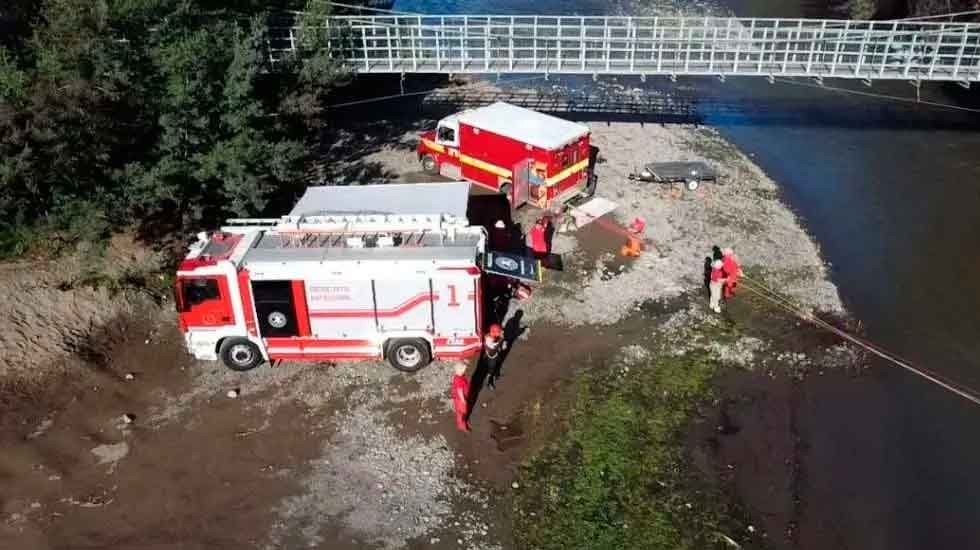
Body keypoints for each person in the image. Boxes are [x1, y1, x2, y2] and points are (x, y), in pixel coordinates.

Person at [484, 323, 507, 390]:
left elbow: (502, 347)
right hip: (491, 358)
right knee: (491, 371)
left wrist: (502, 341)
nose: (500, 333)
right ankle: (489, 383)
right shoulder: (489, 340)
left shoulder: (494, 336)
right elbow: (493, 349)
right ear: (494, 333)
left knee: (497, 364)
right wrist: (501, 340)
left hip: (496, 355)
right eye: (499, 332)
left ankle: (496, 375)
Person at [451, 362, 471, 432]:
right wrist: (463, 400)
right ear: (460, 370)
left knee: (462, 412)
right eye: (464, 370)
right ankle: (462, 426)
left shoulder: (458, 376)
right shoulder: (459, 380)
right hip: (460, 400)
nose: (465, 371)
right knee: (461, 413)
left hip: (459, 399)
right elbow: (459, 391)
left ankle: (463, 422)